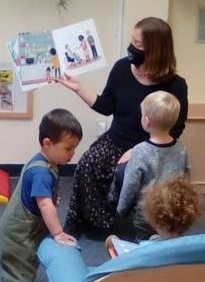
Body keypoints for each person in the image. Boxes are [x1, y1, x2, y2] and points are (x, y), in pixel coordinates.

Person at [54, 17, 188, 234]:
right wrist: (77, 87)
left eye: (137, 45)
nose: (131, 49)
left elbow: (176, 127)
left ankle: (120, 226)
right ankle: (85, 222)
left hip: (151, 146)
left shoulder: (176, 85)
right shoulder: (122, 68)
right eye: (132, 42)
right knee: (88, 164)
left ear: (155, 51)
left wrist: (137, 150)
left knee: (127, 173)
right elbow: (106, 106)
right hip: (116, 139)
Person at [0, 108, 82, 282]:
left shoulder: (42, 160)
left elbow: (37, 195)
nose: (72, 153)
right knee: (20, 271)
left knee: (16, 266)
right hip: (19, 235)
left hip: (16, 229)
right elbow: (44, 205)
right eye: (68, 148)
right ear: (47, 143)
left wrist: (50, 197)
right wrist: (58, 233)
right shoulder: (41, 172)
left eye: (75, 148)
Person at [109, 91, 190, 241]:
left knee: (144, 241)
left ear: (146, 120)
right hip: (173, 211)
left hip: (147, 213)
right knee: (169, 239)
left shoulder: (140, 151)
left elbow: (131, 183)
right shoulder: (181, 149)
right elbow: (185, 179)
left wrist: (122, 209)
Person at [106, 176, 201, 258]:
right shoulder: (199, 247)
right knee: (154, 238)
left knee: (111, 243)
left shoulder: (142, 251)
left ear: (155, 223)